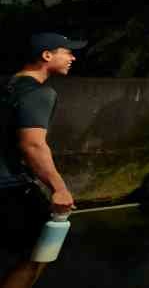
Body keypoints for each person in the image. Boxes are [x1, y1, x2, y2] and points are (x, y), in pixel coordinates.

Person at [0, 33, 83, 288]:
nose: (73, 57)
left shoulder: (7, 85)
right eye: (67, 51)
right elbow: (33, 145)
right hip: (9, 186)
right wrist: (59, 188)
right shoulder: (40, 93)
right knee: (37, 255)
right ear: (47, 55)